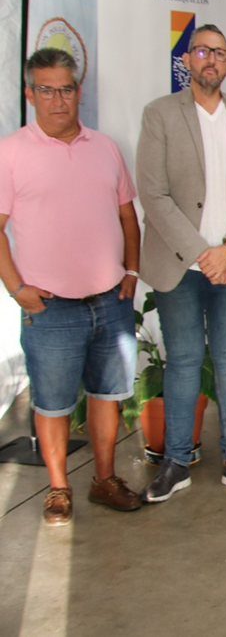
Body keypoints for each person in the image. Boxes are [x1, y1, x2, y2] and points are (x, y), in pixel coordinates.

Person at [0, 48, 141, 523]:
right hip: (49, 308)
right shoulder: (11, 152)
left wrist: (132, 271)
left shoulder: (104, 148)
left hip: (109, 299)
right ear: (30, 93)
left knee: (107, 397)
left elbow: (127, 216)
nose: (57, 99)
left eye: (65, 88)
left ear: (78, 91)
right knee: (53, 402)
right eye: (46, 89)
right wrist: (16, 288)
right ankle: (58, 489)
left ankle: (105, 479)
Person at [138, 24, 226, 502]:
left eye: (219, 53)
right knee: (184, 362)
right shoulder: (159, 115)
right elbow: (153, 194)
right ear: (188, 61)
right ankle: (176, 461)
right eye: (202, 51)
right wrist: (202, 253)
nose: (210, 59)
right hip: (180, 268)